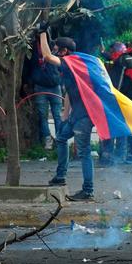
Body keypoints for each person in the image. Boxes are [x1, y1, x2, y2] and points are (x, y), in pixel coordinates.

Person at [39, 31, 95, 201]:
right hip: (75, 116)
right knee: (62, 138)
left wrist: (42, 34)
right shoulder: (73, 66)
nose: (54, 50)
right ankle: (61, 176)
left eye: (57, 48)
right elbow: (71, 92)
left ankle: (88, 190)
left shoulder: (70, 62)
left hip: (84, 117)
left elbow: (47, 56)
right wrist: (65, 115)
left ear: (64, 51)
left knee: (84, 152)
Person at [28, 36, 62, 150]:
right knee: (42, 116)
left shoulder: (55, 49)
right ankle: (47, 139)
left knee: (57, 115)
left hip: (55, 86)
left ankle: (60, 139)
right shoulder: (33, 49)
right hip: (40, 86)